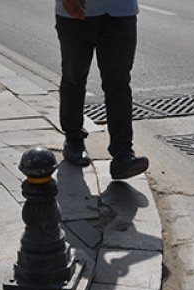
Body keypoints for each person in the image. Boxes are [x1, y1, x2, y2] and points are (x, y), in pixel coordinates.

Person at [56, 0, 149, 180]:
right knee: (74, 77)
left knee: (119, 83)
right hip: (77, 11)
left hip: (121, 11)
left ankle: (123, 154)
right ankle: (73, 139)